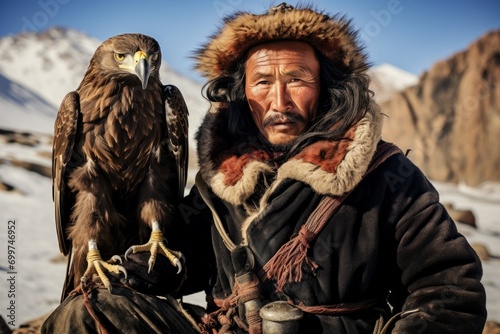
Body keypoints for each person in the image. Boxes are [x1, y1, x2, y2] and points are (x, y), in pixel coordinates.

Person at [42, 3, 487, 333]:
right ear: (241, 93)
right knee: (83, 316)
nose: (279, 101)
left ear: (329, 89)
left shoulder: (386, 175)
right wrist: (133, 269)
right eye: (262, 83)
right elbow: (184, 258)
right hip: (228, 330)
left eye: (296, 79)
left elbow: (452, 289)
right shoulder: (223, 176)